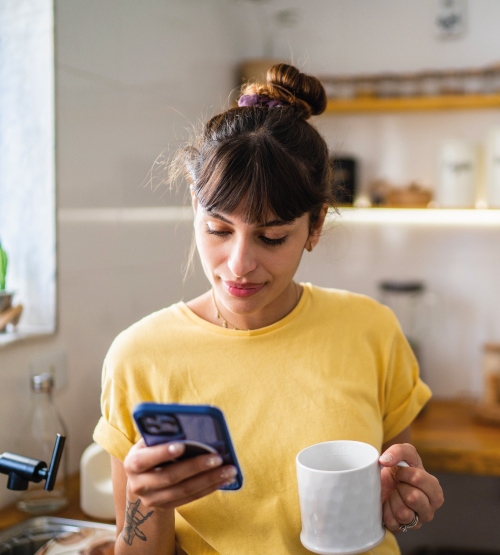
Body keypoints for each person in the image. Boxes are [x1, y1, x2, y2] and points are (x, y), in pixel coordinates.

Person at [93, 63, 444, 555]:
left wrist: (404, 502)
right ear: (194, 206)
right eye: (218, 230)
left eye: (272, 236)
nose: (238, 265)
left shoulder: (371, 329)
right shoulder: (139, 356)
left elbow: (395, 483)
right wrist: (148, 502)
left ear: (315, 225)